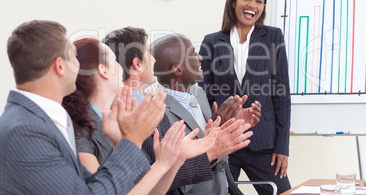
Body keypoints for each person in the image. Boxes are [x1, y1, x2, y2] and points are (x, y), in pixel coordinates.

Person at [0, 20, 165, 194]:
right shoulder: (25, 131)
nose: (79, 67)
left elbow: (91, 185)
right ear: (60, 66)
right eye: (74, 58)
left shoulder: (40, 120)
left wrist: (121, 144)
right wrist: (131, 140)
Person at [103, 27, 261, 195]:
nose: (154, 61)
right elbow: (160, 178)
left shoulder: (189, 96)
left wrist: (221, 130)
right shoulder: (145, 111)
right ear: (137, 63)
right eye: (149, 52)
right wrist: (212, 146)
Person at [62, 38, 212, 195]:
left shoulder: (111, 123)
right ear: (103, 70)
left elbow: (148, 191)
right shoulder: (80, 132)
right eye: (114, 59)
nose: (121, 66)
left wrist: (171, 161)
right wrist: (138, 145)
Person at [199, 0, 292, 194]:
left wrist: (282, 147)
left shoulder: (272, 36)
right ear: (234, 2)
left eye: (259, 1)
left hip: (263, 142)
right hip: (224, 141)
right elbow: (204, 95)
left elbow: (282, 96)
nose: (253, 5)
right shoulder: (212, 41)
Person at [152, 33, 259, 195]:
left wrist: (229, 126)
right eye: (193, 54)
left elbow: (218, 153)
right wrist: (215, 139)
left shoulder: (198, 93)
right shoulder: (158, 113)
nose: (200, 58)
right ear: (177, 69)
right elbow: (175, 181)